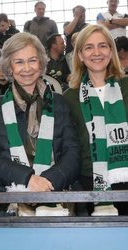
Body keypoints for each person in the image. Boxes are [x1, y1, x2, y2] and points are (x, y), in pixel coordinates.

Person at [0, 32, 80, 216]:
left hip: (54, 197)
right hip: (4, 205)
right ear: (9, 66)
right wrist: (28, 180)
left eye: (32, 60)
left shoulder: (60, 103)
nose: (26, 68)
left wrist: (46, 182)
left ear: (41, 63)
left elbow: (72, 154)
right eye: (19, 62)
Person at [64, 24, 128, 216]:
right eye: (89, 47)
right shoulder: (69, 98)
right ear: (80, 55)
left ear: (111, 51)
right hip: (88, 183)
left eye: (103, 46)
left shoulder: (127, 87)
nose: (96, 52)